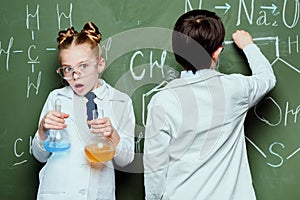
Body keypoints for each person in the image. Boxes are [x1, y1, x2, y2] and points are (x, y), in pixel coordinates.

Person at [143, 9, 276, 200]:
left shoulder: (163, 101)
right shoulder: (234, 90)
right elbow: (267, 78)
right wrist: (249, 46)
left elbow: (154, 167)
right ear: (217, 52)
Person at [32, 22, 135, 200]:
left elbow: (126, 161)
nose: (76, 76)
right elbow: (39, 155)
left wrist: (112, 135)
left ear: (100, 64)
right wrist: (42, 131)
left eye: (84, 66)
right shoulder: (56, 98)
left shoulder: (121, 101)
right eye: (68, 69)